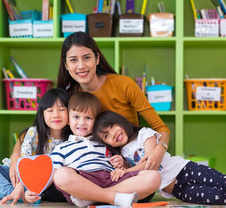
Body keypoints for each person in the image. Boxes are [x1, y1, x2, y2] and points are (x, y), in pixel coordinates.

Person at [93, 111, 226, 205]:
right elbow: (137, 176)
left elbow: (149, 162)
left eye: (112, 127)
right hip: (176, 190)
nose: (113, 134)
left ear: (121, 121)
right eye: (106, 136)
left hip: (185, 171)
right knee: (220, 198)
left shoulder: (144, 134)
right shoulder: (123, 153)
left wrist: (125, 170)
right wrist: (121, 164)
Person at [57, 31, 170, 170]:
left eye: (87, 57)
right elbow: (41, 130)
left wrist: (159, 150)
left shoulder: (123, 85)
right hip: (90, 170)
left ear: (97, 58)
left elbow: (161, 128)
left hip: (131, 169)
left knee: (150, 178)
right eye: (73, 60)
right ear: (66, 65)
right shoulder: (69, 97)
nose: (81, 66)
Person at [30, 92, 161, 207]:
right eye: (76, 117)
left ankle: (92, 197)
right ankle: (112, 198)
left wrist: (121, 163)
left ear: (96, 121)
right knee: (61, 175)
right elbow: (51, 173)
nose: (81, 123)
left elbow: (124, 167)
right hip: (84, 180)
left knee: (154, 177)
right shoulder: (62, 147)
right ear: (68, 120)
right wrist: (34, 190)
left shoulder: (105, 141)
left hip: (112, 180)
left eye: (88, 118)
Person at [0, 88, 71, 204]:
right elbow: (24, 160)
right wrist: (19, 185)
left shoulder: (73, 138)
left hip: (43, 185)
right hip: (17, 176)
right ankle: (13, 193)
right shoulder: (33, 132)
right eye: (50, 110)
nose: (56, 115)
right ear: (42, 114)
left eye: (61, 109)